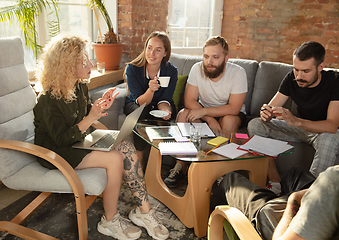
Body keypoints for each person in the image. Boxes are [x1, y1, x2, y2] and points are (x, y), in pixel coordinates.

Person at [33, 35, 169, 240]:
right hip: (56, 152)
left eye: (89, 59)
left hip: (78, 140)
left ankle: (144, 211)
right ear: (68, 67)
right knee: (114, 159)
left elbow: (85, 111)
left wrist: (99, 106)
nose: (91, 64)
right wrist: (91, 117)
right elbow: (61, 139)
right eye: (84, 62)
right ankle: (110, 220)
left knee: (126, 147)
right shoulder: (48, 99)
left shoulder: (78, 85)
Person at [247, 41, 339, 193]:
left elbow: (331, 125)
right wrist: (266, 113)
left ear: (320, 67)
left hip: (326, 133)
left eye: (305, 71)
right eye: (296, 69)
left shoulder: (335, 81)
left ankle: (309, 195)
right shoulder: (292, 78)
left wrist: (296, 121)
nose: (299, 76)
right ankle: (276, 183)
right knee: (255, 125)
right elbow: (270, 108)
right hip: (300, 129)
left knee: (329, 139)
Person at [164, 36, 247, 187]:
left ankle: (219, 173)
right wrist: (209, 118)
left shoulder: (238, 73)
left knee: (228, 119)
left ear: (226, 58)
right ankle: (180, 166)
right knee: (183, 114)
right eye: (206, 56)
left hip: (229, 113)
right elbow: (189, 100)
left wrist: (205, 113)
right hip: (203, 111)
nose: (209, 62)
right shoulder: (197, 68)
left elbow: (234, 108)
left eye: (215, 57)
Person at [210, 166, 339, 240]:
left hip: (276, 223)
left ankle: (207, 226)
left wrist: (292, 200)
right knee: (295, 173)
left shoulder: (333, 179)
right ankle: (276, 193)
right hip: (319, 217)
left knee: (230, 180)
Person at [124, 31, 178, 166]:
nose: (151, 54)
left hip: (158, 105)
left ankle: (157, 161)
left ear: (165, 53)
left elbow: (166, 98)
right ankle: (140, 162)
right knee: (142, 112)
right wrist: (151, 90)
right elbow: (140, 101)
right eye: (149, 48)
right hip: (137, 104)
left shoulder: (171, 71)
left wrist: (165, 110)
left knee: (168, 113)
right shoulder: (133, 69)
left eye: (158, 50)